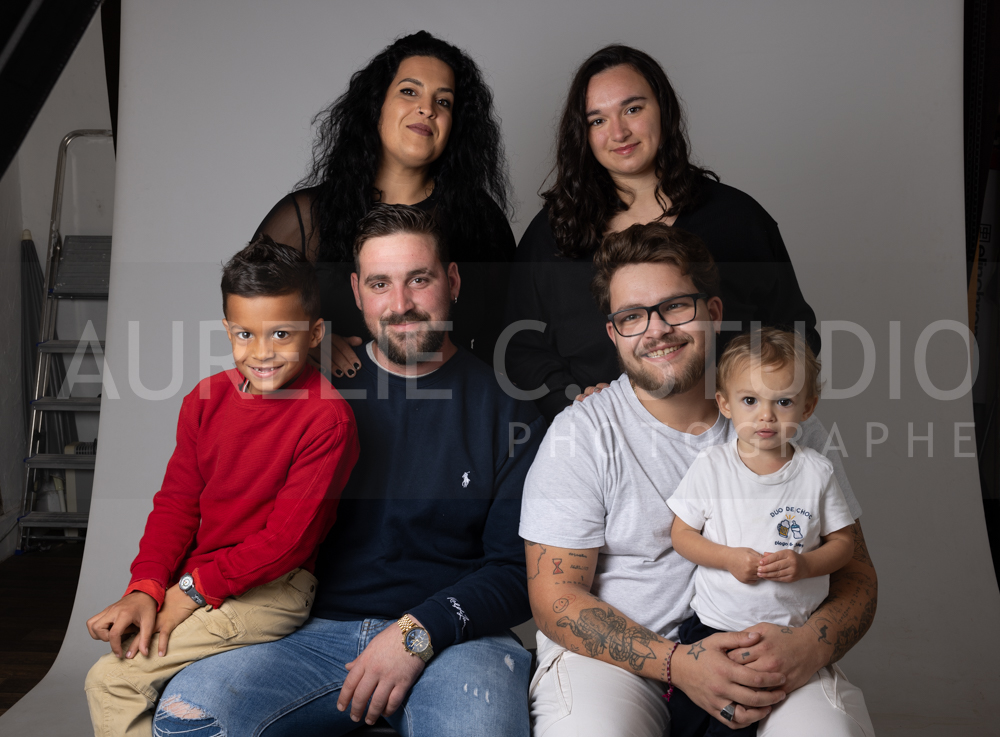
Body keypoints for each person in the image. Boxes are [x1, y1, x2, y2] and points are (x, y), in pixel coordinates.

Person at [154, 205, 547, 736]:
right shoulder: (307, 394)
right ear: (357, 293)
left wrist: (417, 633)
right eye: (381, 284)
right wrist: (161, 586)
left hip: (453, 638)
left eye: (420, 280)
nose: (401, 304)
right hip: (306, 631)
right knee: (190, 719)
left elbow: (518, 571)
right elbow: (210, 505)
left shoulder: (510, 412)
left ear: (452, 282)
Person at [519, 223, 877, 737]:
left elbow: (857, 576)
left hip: (773, 649)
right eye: (632, 316)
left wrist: (807, 647)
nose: (656, 329)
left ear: (713, 311)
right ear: (613, 333)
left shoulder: (789, 427)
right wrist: (678, 664)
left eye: (675, 306)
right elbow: (555, 599)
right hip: (617, 663)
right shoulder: (581, 433)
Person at [84, 238, 360, 737]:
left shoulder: (327, 419)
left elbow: (286, 543)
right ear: (228, 330)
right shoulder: (205, 400)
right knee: (151, 676)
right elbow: (176, 506)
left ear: (315, 333)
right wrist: (146, 586)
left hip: (272, 592)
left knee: (112, 682)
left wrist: (191, 592)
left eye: (281, 334)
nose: (262, 352)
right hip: (204, 583)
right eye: (245, 334)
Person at [504, 44, 820, 423]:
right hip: (605, 438)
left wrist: (751, 399)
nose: (619, 132)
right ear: (582, 134)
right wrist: (577, 402)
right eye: (598, 120)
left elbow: (796, 333)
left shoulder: (739, 219)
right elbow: (521, 349)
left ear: (664, 110)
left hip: (734, 435)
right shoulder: (552, 235)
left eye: (632, 109)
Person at [256, 30, 515, 375]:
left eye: (444, 102)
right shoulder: (307, 217)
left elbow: (508, 339)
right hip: (332, 406)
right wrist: (304, 340)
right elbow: (249, 315)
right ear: (376, 104)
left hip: (445, 404)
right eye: (409, 91)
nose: (427, 109)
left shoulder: (481, 221)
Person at [666, 328, 862, 737]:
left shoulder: (817, 473)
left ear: (808, 407)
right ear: (725, 403)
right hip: (714, 629)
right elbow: (681, 534)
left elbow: (844, 544)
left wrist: (806, 564)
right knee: (695, 724)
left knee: (757, 720)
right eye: (750, 401)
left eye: (784, 402)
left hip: (790, 637)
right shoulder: (712, 467)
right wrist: (728, 558)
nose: (766, 416)